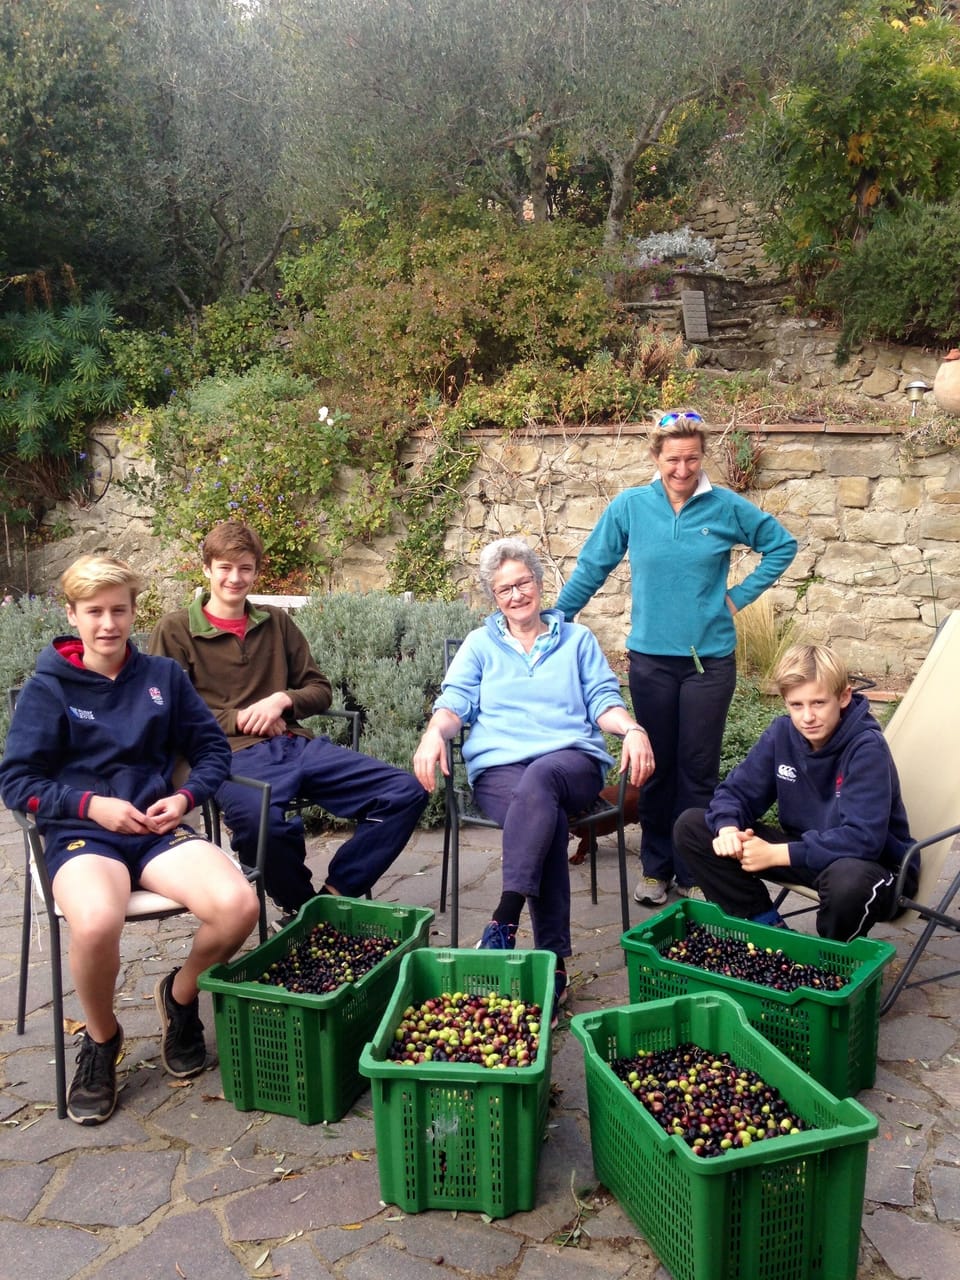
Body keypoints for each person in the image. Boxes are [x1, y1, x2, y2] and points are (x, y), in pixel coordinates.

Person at [0, 555, 260, 1125]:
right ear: (73, 615)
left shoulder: (162, 678)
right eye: (94, 611)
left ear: (134, 612)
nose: (108, 624)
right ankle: (102, 1038)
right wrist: (92, 805)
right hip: (81, 835)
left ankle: (182, 996)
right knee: (96, 921)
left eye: (119, 610)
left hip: (156, 829)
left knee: (239, 903)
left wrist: (186, 799)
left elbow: (213, 750)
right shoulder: (49, 688)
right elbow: (16, 782)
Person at [556, 409, 797, 908]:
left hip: (710, 662)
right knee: (655, 768)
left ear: (702, 456)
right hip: (651, 662)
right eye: (672, 459)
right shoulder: (630, 507)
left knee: (698, 771)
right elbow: (592, 566)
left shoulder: (725, 507)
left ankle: (692, 870)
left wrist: (736, 597)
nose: (682, 469)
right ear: (655, 457)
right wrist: (555, 618)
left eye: (691, 458)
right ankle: (655, 867)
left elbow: (781, 545)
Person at [413, 537, 654, 1012]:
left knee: (541, 782)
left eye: (523, 583)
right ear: (493, 598)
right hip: (500, 771)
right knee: (541, 812)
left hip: (571, 764)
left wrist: (632, 729)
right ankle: (554, 963)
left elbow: (604, 702)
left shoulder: (578, 641)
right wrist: (432, 735)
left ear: (540, 584)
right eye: (505, 589)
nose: (516, 595)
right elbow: (453, 703)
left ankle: (504, 919)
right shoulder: (481, 645)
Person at [149, 521, 428, 920]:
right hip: (228, 757)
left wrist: (282, 701)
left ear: (256, 572)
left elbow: (319, 689)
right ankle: (300, 910)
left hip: (295, 747)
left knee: (404, 791)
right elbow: (169, 710)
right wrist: (244, 718)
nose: (235, 577)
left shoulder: (276, 621)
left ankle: (330, 898)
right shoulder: (175, 630)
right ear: (207, 569)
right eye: (225, 567)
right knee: (265, 828)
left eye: (245, 568)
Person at [673, 643, 917, 940]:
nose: (807, 717)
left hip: (874, 869)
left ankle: (830, 962)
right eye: (796, 705)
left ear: (843, 697)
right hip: (808, 853)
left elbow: (863, 840)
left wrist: (776, 853)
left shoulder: (866, 748)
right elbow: (736, 793)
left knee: (848, 882)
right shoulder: (782, 734)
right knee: (693, 827)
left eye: (818, 703)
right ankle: (768, 932)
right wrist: (727, 829)